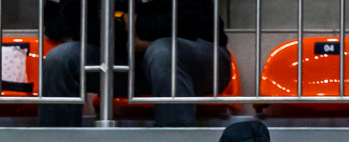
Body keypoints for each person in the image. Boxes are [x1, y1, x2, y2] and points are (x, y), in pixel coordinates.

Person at [39, 0, 230, 128]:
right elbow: (75, 24)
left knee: (163, 53)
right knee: (60, 59)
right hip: (122, 57)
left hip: (199, 54)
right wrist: (129, 38)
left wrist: (131, 25)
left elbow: (187, 22)